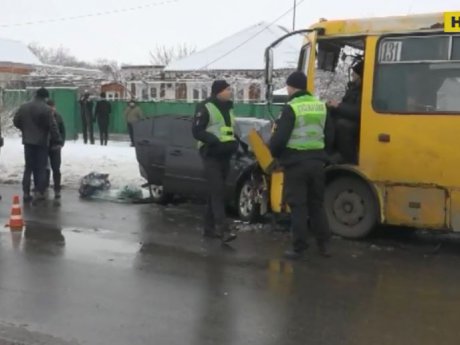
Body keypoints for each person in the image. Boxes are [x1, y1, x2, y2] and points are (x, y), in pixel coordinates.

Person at [269, 72, 332, 260]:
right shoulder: (321, 106)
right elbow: (330, 135)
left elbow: (279, 139)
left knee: (298, 206)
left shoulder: (292, 107)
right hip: (317, 163)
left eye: (288, 87)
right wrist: (321, 154)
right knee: (317, 205)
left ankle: (299, 247)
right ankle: (324, 246)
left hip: (296, 163)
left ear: (292, 87)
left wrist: (276, 155)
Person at [192, 80, 238, 243]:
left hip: (225, 154)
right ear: (218, 91)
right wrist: (213, 141)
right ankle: (223, 229)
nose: (229, 92)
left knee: (215, 192)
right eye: (227, 89)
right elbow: (197, 131)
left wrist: (237, 143)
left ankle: (208, 228)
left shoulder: (229, 108)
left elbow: (229, 130)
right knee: (218, 191)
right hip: (211, 153)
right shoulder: (205, 106)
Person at [14, 87, 62, 202]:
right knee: (41, 168)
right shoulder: (46, 109)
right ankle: (39, 192)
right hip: (41, 142)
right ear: (45, 97)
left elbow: (16, 121)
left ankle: (26, 193)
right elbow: (53, 126)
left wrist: (25, 130)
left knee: (28, 167)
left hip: (28, 142)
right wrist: (57, 139)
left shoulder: (24, 106)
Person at [327, 59, 364, 164]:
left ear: (360, 76)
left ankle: (349, 159)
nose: (352, 75)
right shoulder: (353, 88)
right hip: (348, 118)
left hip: (359, 124)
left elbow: (359, 112)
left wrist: (338, 106)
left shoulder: (363, 90)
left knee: (341, 125)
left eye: (354, 74)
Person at [45, 100, 66, 199]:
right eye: (50, 107)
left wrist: (61, 143)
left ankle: (57, 189)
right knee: (45, 168)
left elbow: (63, 130)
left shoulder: (58, 117)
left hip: (55, 146)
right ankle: (44, 187)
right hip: (45, 146)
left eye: (53, 107)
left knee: (56, 168)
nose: (52, 109)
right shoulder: (43, 117)